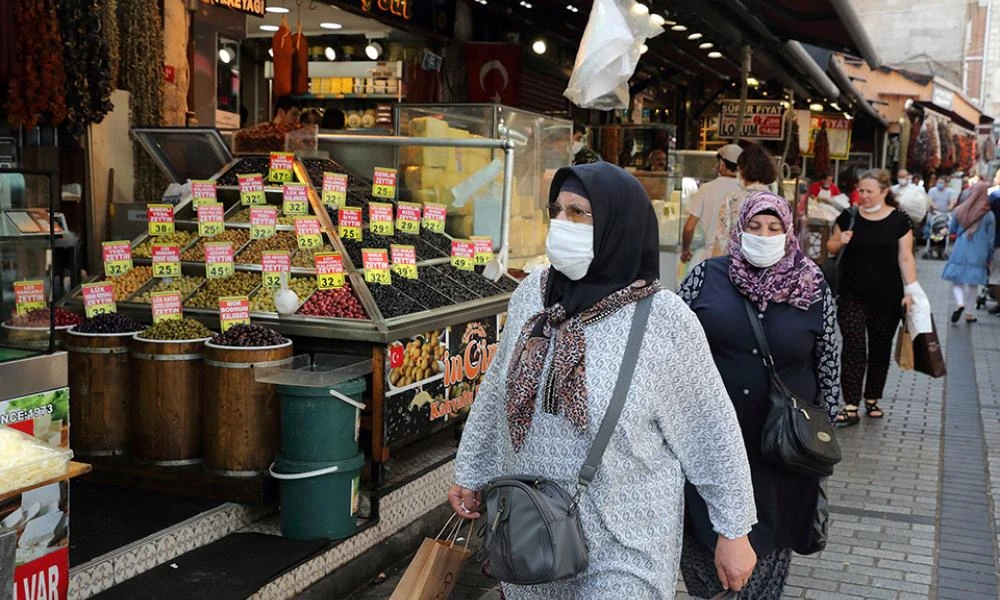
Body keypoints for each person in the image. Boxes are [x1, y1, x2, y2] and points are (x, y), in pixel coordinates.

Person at [449, 162, 758, 599]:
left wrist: (733, 530)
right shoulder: (533, 298)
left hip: (627, 543)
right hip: (533, 533)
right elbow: (497, 388)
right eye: (556, 211)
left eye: (579, 213)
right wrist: (473, 469)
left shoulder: (664, 320)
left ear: (619, 225)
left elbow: (710, 428)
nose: (562, 224)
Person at [678, 191, 839, 599]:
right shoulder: (705, 277)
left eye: (774, 228)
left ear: (789, 233)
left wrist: (821, 439)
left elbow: (828, 365)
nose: (763, 235)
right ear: (739, 229)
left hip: (780, 451)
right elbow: (669, 352)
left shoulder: (813, 285)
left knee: (765, 562)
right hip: (707, 443)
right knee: (703, 546)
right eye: (754, 226)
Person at [826, 169, 919, 425]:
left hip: (888, 297)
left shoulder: (899, 220)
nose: (863, 196)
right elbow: (830, 246)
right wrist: (841, 240)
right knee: (854, 347)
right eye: (861, 190)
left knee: (880, 348)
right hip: (851, 294)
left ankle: (872, 398)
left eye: (869, 191)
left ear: (884, 192)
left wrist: (912, 291)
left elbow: (906, 257)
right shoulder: (849, 216)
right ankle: (851, 404)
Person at [681, 144, 743, 265]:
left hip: (713, 257)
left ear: (722, 164)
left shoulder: (706, 189)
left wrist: (685, 250)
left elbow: (689, 227)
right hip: (739, 260)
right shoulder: (746, 190)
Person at [712, 144, 778, 257]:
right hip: (768, 268)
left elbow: (721, 242)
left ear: (743, 171)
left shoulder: (732, 200)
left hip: (736, 268)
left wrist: (713, 269)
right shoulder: (778, 203)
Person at [942, 182, 995, 323]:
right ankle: (970, 314)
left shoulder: (960, 210)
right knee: (973, 283)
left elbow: (952, 230)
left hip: (961, 248)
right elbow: (991, 239)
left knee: (957, 280)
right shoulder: (989, 215)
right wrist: (989, 255)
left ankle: (960, 303)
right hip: (980, 250)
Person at [893, 169, 931, 233]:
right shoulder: (893, 189)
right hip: (896, 220)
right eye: (899, 177)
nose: (901, 179)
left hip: (910, 221)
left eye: (903, 177)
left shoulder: (916, 189)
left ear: (908, 177)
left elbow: (924, 205)